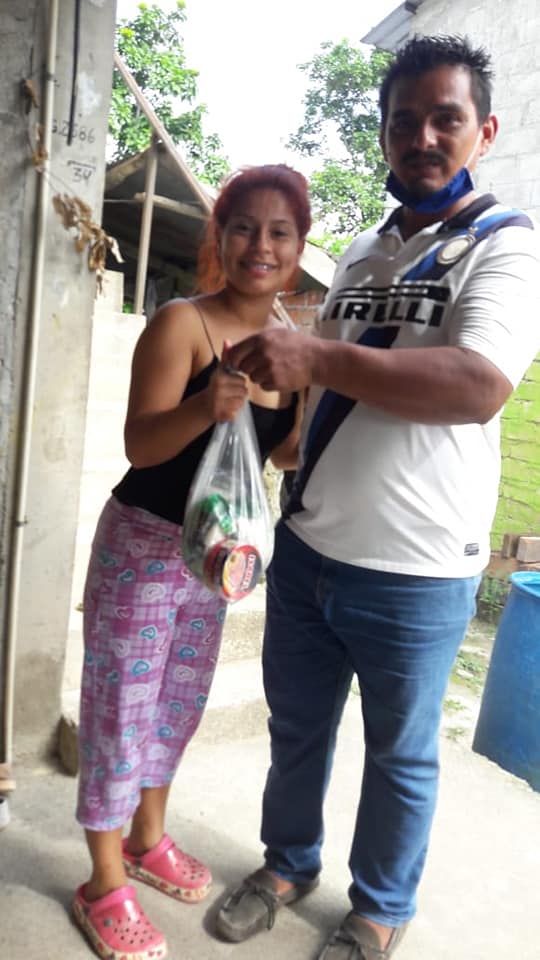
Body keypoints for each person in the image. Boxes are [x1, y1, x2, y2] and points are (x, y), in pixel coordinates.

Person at [214, 35, 540, 960]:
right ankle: (287, 866)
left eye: (445, 118)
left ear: (484, 131)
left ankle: (379, 911)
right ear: (386, 132)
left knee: (400, 756)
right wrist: (283, 440)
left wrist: (314, 354)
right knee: (296, 731)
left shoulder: (508, 246)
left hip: (416, 568)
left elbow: (478, 385)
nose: (422, 137)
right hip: (310, 547)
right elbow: (327, 390)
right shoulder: (364, 249)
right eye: (404, 121)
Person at [72, 163, 311, 960]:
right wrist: (206, 406)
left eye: (279, 232)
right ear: (221, 236)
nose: (260, 246)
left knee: (175, 708)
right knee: (120, 713)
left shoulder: (291, 348)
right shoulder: (183, 325)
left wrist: (316, 411)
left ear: (299, 246)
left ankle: (148, 838)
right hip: (141, 549)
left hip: (213, 566)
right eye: (244, 227)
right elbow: (141, 446)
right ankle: (103, 880)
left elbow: (280, 454)